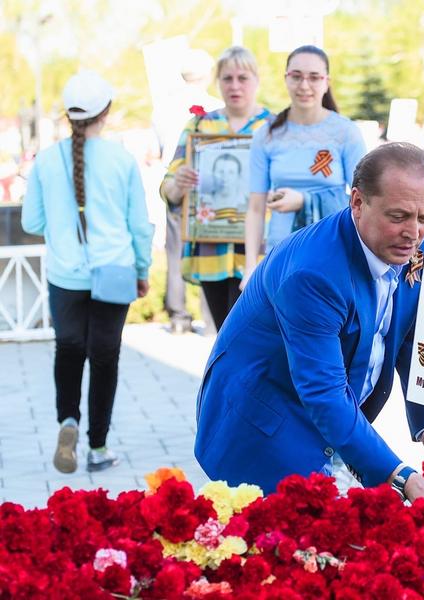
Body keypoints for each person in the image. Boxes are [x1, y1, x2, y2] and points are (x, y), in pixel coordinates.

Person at [195, 142, 424, 499]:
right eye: (398, 217)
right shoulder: (314, 274)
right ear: (358, 203)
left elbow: (407, 336)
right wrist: (402, 476)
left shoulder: (410, 243)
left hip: (333, 416)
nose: (414, 233)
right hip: (265, 424)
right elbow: (324, 394)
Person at [21, 71, 154, 473]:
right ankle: (98, 448)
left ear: (68, 115)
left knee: (69, 348)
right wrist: (143, 270)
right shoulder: (122, 159)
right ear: (106, 112)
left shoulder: (45, 160)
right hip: (115, 270)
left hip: (65, 274)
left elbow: (31, 222)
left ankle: (68, 421)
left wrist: (63, 230)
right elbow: (139, 225)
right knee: (105, 356)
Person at [160, 46, 272, 333]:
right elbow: (168, 189)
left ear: (256, 80)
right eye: (227, 78)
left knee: (253, 340)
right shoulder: (200, 125)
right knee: (224, 339)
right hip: (212, 253)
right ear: (217, 82)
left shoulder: (273, 127)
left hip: (260, 253)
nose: (235, 85)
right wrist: (179, 183)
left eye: (242, 78)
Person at [244, 44, 366, 284]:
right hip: (280, 254)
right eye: (296, 77)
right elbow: (256, 208)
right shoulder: (266, 135)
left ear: (326, 82)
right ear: (286, 79)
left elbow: (365, 201)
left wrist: (303, 201)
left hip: (332, 253)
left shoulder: (346, 133)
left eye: (314, 77)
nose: (304, 86)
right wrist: (250, 268)